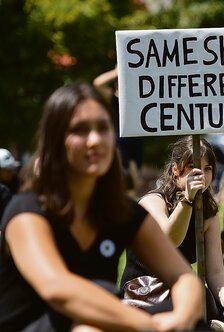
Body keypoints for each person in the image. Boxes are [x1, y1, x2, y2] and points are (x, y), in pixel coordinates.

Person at [0, 83, 203, 331]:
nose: (95, 140)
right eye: (79, 130)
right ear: (56, 140)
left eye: (103, 128)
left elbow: (183, 277)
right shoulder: (27, 211)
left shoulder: (121, 210)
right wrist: (150, 325)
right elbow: (57, 289)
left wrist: (181, 318)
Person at [121, 136, 224, 329]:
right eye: (193, 168)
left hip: (183, 289)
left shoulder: (208, 214)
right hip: (145, 291)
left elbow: (216, 272)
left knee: (215, 297)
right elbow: (168, 243)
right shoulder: (153, 202)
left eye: (207, 168)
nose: (201, 175)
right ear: (175, 170)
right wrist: (187, 201)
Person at [93, 66, 144, 196]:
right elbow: (98, 83)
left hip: (135, 142)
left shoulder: (137, 96)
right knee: (120, 178)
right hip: (119, 144)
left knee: (133, 182)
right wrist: (120, 70)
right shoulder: (112, 98)